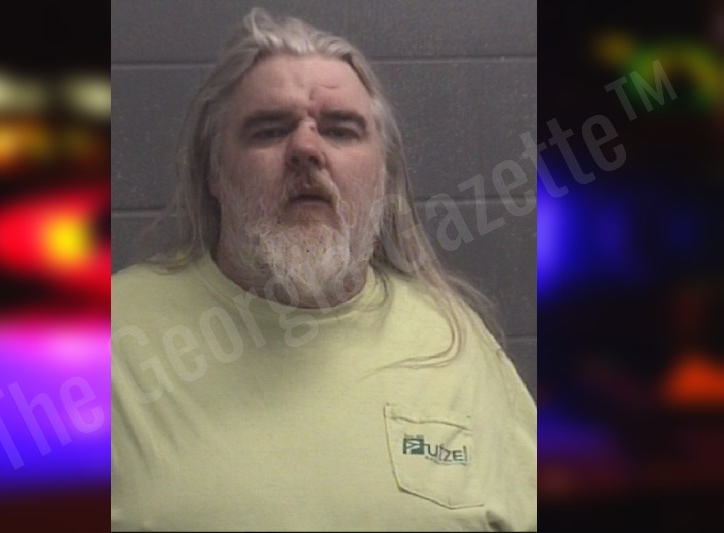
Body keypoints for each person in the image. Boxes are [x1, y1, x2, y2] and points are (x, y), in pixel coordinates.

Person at [111, 8, 536, 531]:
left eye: (341, 131)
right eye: (269, 130)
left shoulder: (457, 342)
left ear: (384, 175)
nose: (307, 150)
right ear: (214, 172)